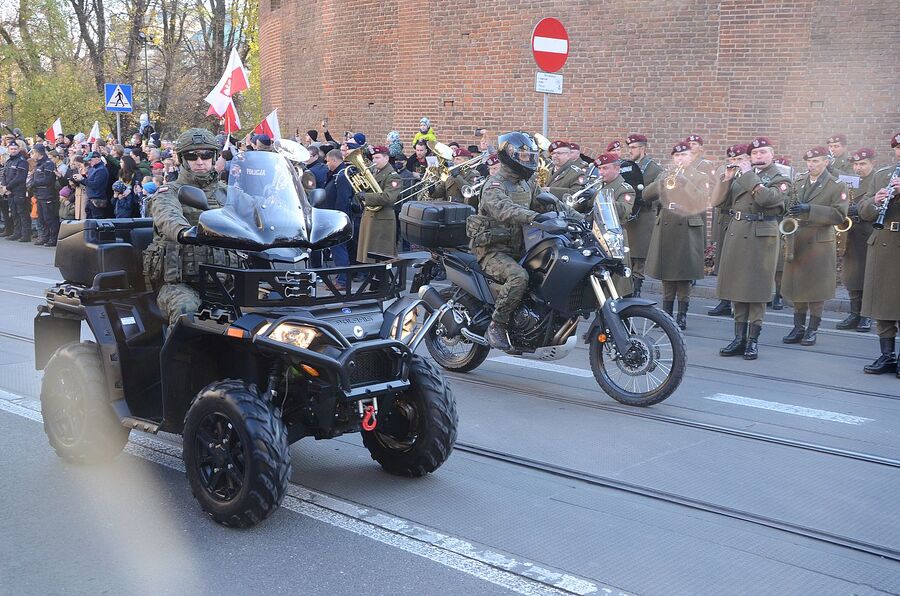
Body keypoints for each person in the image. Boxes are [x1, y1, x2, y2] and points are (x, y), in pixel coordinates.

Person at [471, 131, 578, 350]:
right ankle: (497, 324)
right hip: (493, 250)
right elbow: (505, 209)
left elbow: (551, 202)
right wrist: (535, 217)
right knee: (518, 277)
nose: (527, 160)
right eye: (523, 156)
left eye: (530, 156)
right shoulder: (494, 185)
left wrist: (580, 218)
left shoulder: (527, 183)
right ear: (509, 156)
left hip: (521, 247)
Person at [143, 128, 242, 325]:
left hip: (230, 282)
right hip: (181, 284)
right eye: (192, 156)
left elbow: (260, 213)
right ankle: (177, 346)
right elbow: (167, 216)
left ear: (214, 157)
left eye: (206, 155)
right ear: (182, 159)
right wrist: (184, 231)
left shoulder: (230, 194)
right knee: (186, 311)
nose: (199, 161)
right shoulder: (168, 192)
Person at [710, 137, 790, 359]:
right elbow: (717, 202)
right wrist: (726, 180)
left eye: (763, 152)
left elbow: (767, 199)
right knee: (738, 288)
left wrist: (747, 175)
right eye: (755, 153)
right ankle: (738, 338)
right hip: (738, 233)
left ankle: (752, 340)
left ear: (772, 154)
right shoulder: (740, 176)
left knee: (756, 290)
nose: (759, 156)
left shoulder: (780, 178)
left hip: (761, 236)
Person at [781, 146, 849, 346]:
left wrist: (810, 208)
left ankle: (812, 329)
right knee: (798, 285)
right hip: (798, 239)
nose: (811, 165)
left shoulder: (837, 185)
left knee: (817, 289)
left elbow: (839, 215)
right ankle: (798, 327)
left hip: (820, 242)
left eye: (816, 161)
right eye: (809, 162)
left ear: (826, 162)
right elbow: (788, 208)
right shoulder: (799, 182)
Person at [643, 141, 709, 329]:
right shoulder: (665, 174)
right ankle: (666, 315)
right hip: (667, 227)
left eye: (684, 155)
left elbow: (702, 199)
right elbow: (646, 195)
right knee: (667, 275)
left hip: (687, 228)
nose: (680, 159)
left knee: (683, 276)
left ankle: (682, 316)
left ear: (692, 157)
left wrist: (686, 183)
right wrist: (661, 182)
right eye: (677, 156)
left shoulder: (700, 176)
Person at [859, 132, 900, 375]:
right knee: (883, 304)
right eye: (898, 148)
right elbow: (864, 211)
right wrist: (876, 200)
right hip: (883, 243)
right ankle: (887, 355)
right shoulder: (882, 175)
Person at [836, 148, 877, 332]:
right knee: (852, 276)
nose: (858, 168)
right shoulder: (848, 182)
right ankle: (854, 314)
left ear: (872, 163)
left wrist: (859, 210)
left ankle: (866, 315)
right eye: (855, 164)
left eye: (863, 164)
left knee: (868, 276)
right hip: (850, 233)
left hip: (868, 233)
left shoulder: (877, 180)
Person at [708, 144, 750, 316]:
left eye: (739, 159)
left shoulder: (750, 175)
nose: (734, 162)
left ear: (747, 159)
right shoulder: (725, 173)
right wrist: (726, 180)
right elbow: (716, 200)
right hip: (725, 220)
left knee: (739, 264)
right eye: (732, 159)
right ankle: (724, 300)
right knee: (723, 264)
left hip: (742, 223)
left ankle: (737, 302)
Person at [623, 134, 664, 297]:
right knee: (628, 254)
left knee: (639, 256)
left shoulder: (654, 168)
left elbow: (660, 192)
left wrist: (646, 199)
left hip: (645, 215)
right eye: (629, 148)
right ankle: (626, 289)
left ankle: (637, 289)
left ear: (643, 148)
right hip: (629, 215)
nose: (630, 151)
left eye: (633, 148)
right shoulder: (628, 166)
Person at [356, 146, 400, 263]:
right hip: (370, 216)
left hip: (382, 220)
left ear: (386, 158)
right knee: (369, 256)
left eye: (377, 158)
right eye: (373, 158)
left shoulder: (392, 176)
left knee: (382, 257)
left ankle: (383, 275)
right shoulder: (375, 172)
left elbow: (388, 197)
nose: (374, 161)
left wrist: (366, 196)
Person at [323, 149, 355, 290]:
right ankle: (341, 278)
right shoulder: (338, 173)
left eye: (328, 161)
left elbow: (343, 199)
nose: (327, 164)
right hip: (336, 216)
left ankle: (342, 281)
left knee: (338, 248)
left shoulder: (342, 175)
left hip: (338, 218)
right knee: (338, 249)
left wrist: (338, 218)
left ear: (334, 160)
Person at [29, 143, 60, 246]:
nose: (32, 155)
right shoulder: (38, 164)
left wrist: (34, 183)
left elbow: (47, 180)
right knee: (41, 218)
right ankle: (45, 237)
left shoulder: (48, 164)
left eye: (33, 152)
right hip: (39, 194)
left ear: (38, 153)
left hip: (48, 194)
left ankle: (53, 239)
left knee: (49, 218)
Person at [2, 139, 29, 241]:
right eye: (11, 149)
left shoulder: (22, 161)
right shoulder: (9, 161)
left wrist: (7, 187)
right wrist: (4, 186)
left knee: (22, 213)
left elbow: (19, 178)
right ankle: (17, 233)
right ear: (8, 150)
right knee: (14, 213)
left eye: (15, 149)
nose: (13, 151)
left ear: (18, 149)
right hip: (10, 191)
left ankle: (25, 234)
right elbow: (4, 175)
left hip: (19, 191)